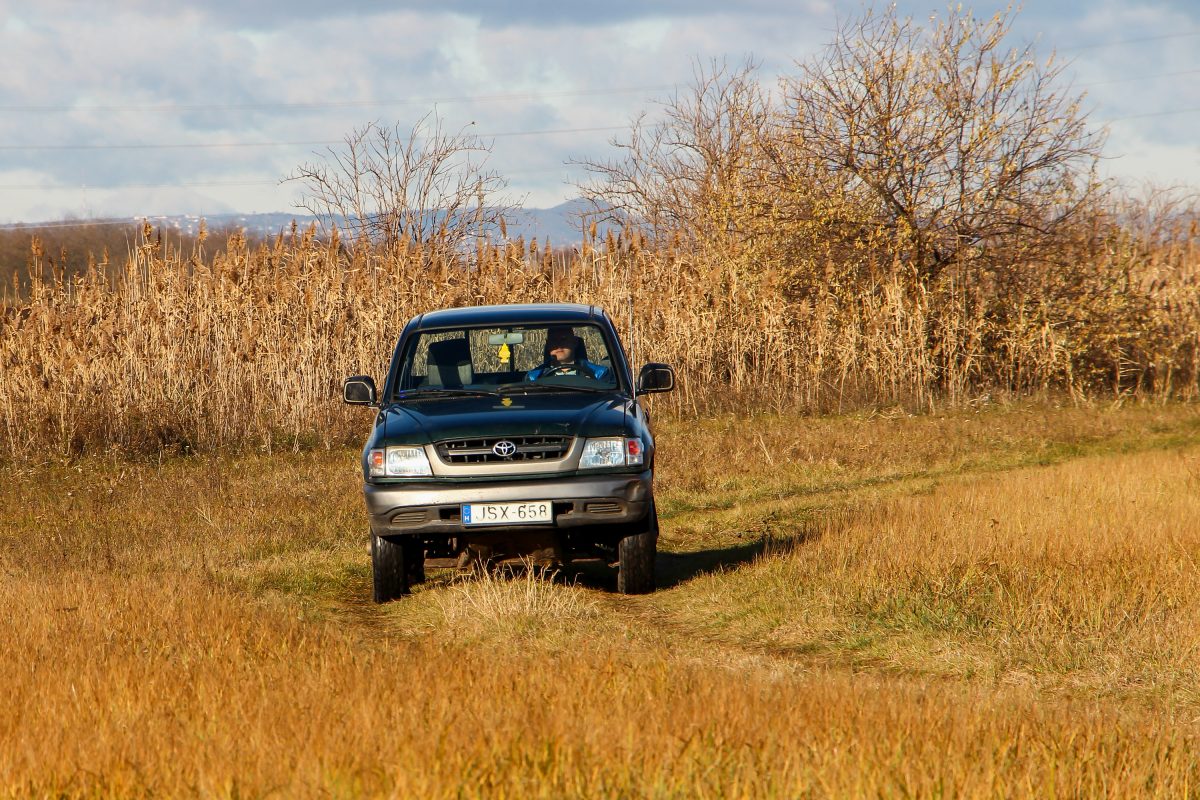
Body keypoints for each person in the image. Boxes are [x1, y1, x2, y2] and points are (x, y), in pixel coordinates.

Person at [526, 326, 611, 381]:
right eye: (554, 340)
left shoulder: (599, 375)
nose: (558, 345)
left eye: (563, 339)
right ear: (548, 345)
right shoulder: (533, 378)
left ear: (574, 342)